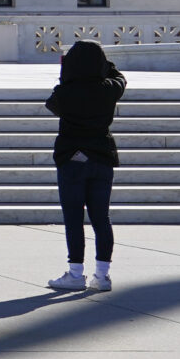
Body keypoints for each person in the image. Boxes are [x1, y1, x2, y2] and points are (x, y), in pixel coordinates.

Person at [46, 38, 127, 291]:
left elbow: (52, 105)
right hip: (101, 156)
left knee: (73, 217)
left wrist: (68, 73)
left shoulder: (64, 93)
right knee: (101, 218)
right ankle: (102, 276)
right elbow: (120, 78)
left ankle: (75, 273)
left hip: (72, 158)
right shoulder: (109, 89)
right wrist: (105, 64)